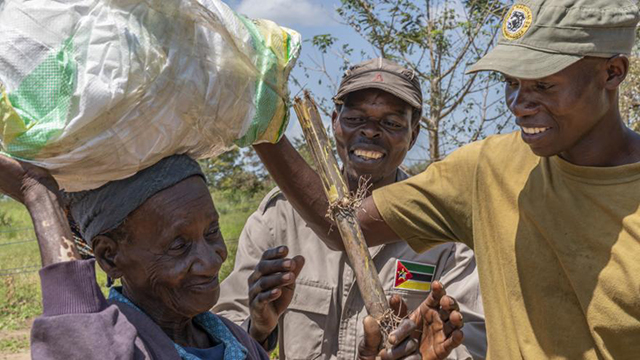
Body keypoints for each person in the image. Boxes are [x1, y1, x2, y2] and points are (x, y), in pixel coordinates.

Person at [252, 1, 640, 359]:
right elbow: (343, 230)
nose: (519, 106)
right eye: (510, 82)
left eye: (543, 85)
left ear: (612, 72)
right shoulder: (487, 168)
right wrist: (258, 113)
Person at [0, 154, 463, 360]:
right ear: (108, 256)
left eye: (213, 232)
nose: (210, 258)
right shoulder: (122, 344)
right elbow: (76, 342)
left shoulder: (232, 343)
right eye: (179, 245)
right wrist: (37, 195)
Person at [215, 58, 486, 359]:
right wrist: (258, 329)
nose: (370, 132)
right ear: (334, 122)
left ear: (413, 135)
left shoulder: (443, 231)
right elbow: (219, 330)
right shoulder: (280, 216)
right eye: (356, 118)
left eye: (392, 123)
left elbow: (473, 343)